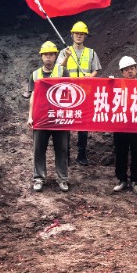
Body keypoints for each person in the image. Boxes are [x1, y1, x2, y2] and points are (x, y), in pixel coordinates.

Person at [56, 21, 101, 166]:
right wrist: (67, 57)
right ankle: (66, 155)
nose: (79, 36)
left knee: (83, 125)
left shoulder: (91, 52)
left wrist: (90, 77)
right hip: (68, 93)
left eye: (81, 34)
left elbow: (95, 70)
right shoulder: (65, 51)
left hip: (85, 93)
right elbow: (58, 70)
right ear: (72, 35)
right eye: (76, 34)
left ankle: (82, 154)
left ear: (85, 36)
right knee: (67, 124)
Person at [28, 41, 68, 192]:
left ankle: (62, 179)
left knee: (62, 149)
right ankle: (38, 178)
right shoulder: (35, 74)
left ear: (55, 56)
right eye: (45, 54)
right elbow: (33, 97)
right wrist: (30, 116)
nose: (48, 57)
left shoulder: (63, 72)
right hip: (41, 118)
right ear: (41, 56)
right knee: (39, 149)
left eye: (51, 54)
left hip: (59, 118)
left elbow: (69, 92)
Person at [111, 56, 137, 194]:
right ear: (122, 72)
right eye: (126, 69)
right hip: (120, 125)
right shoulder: (117, 85)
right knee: (121, 153)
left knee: (136, 153)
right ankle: (122, 179)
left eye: (132, 68)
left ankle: (135, 180)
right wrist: (109, 83)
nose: (130, 71)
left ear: (136, 69)